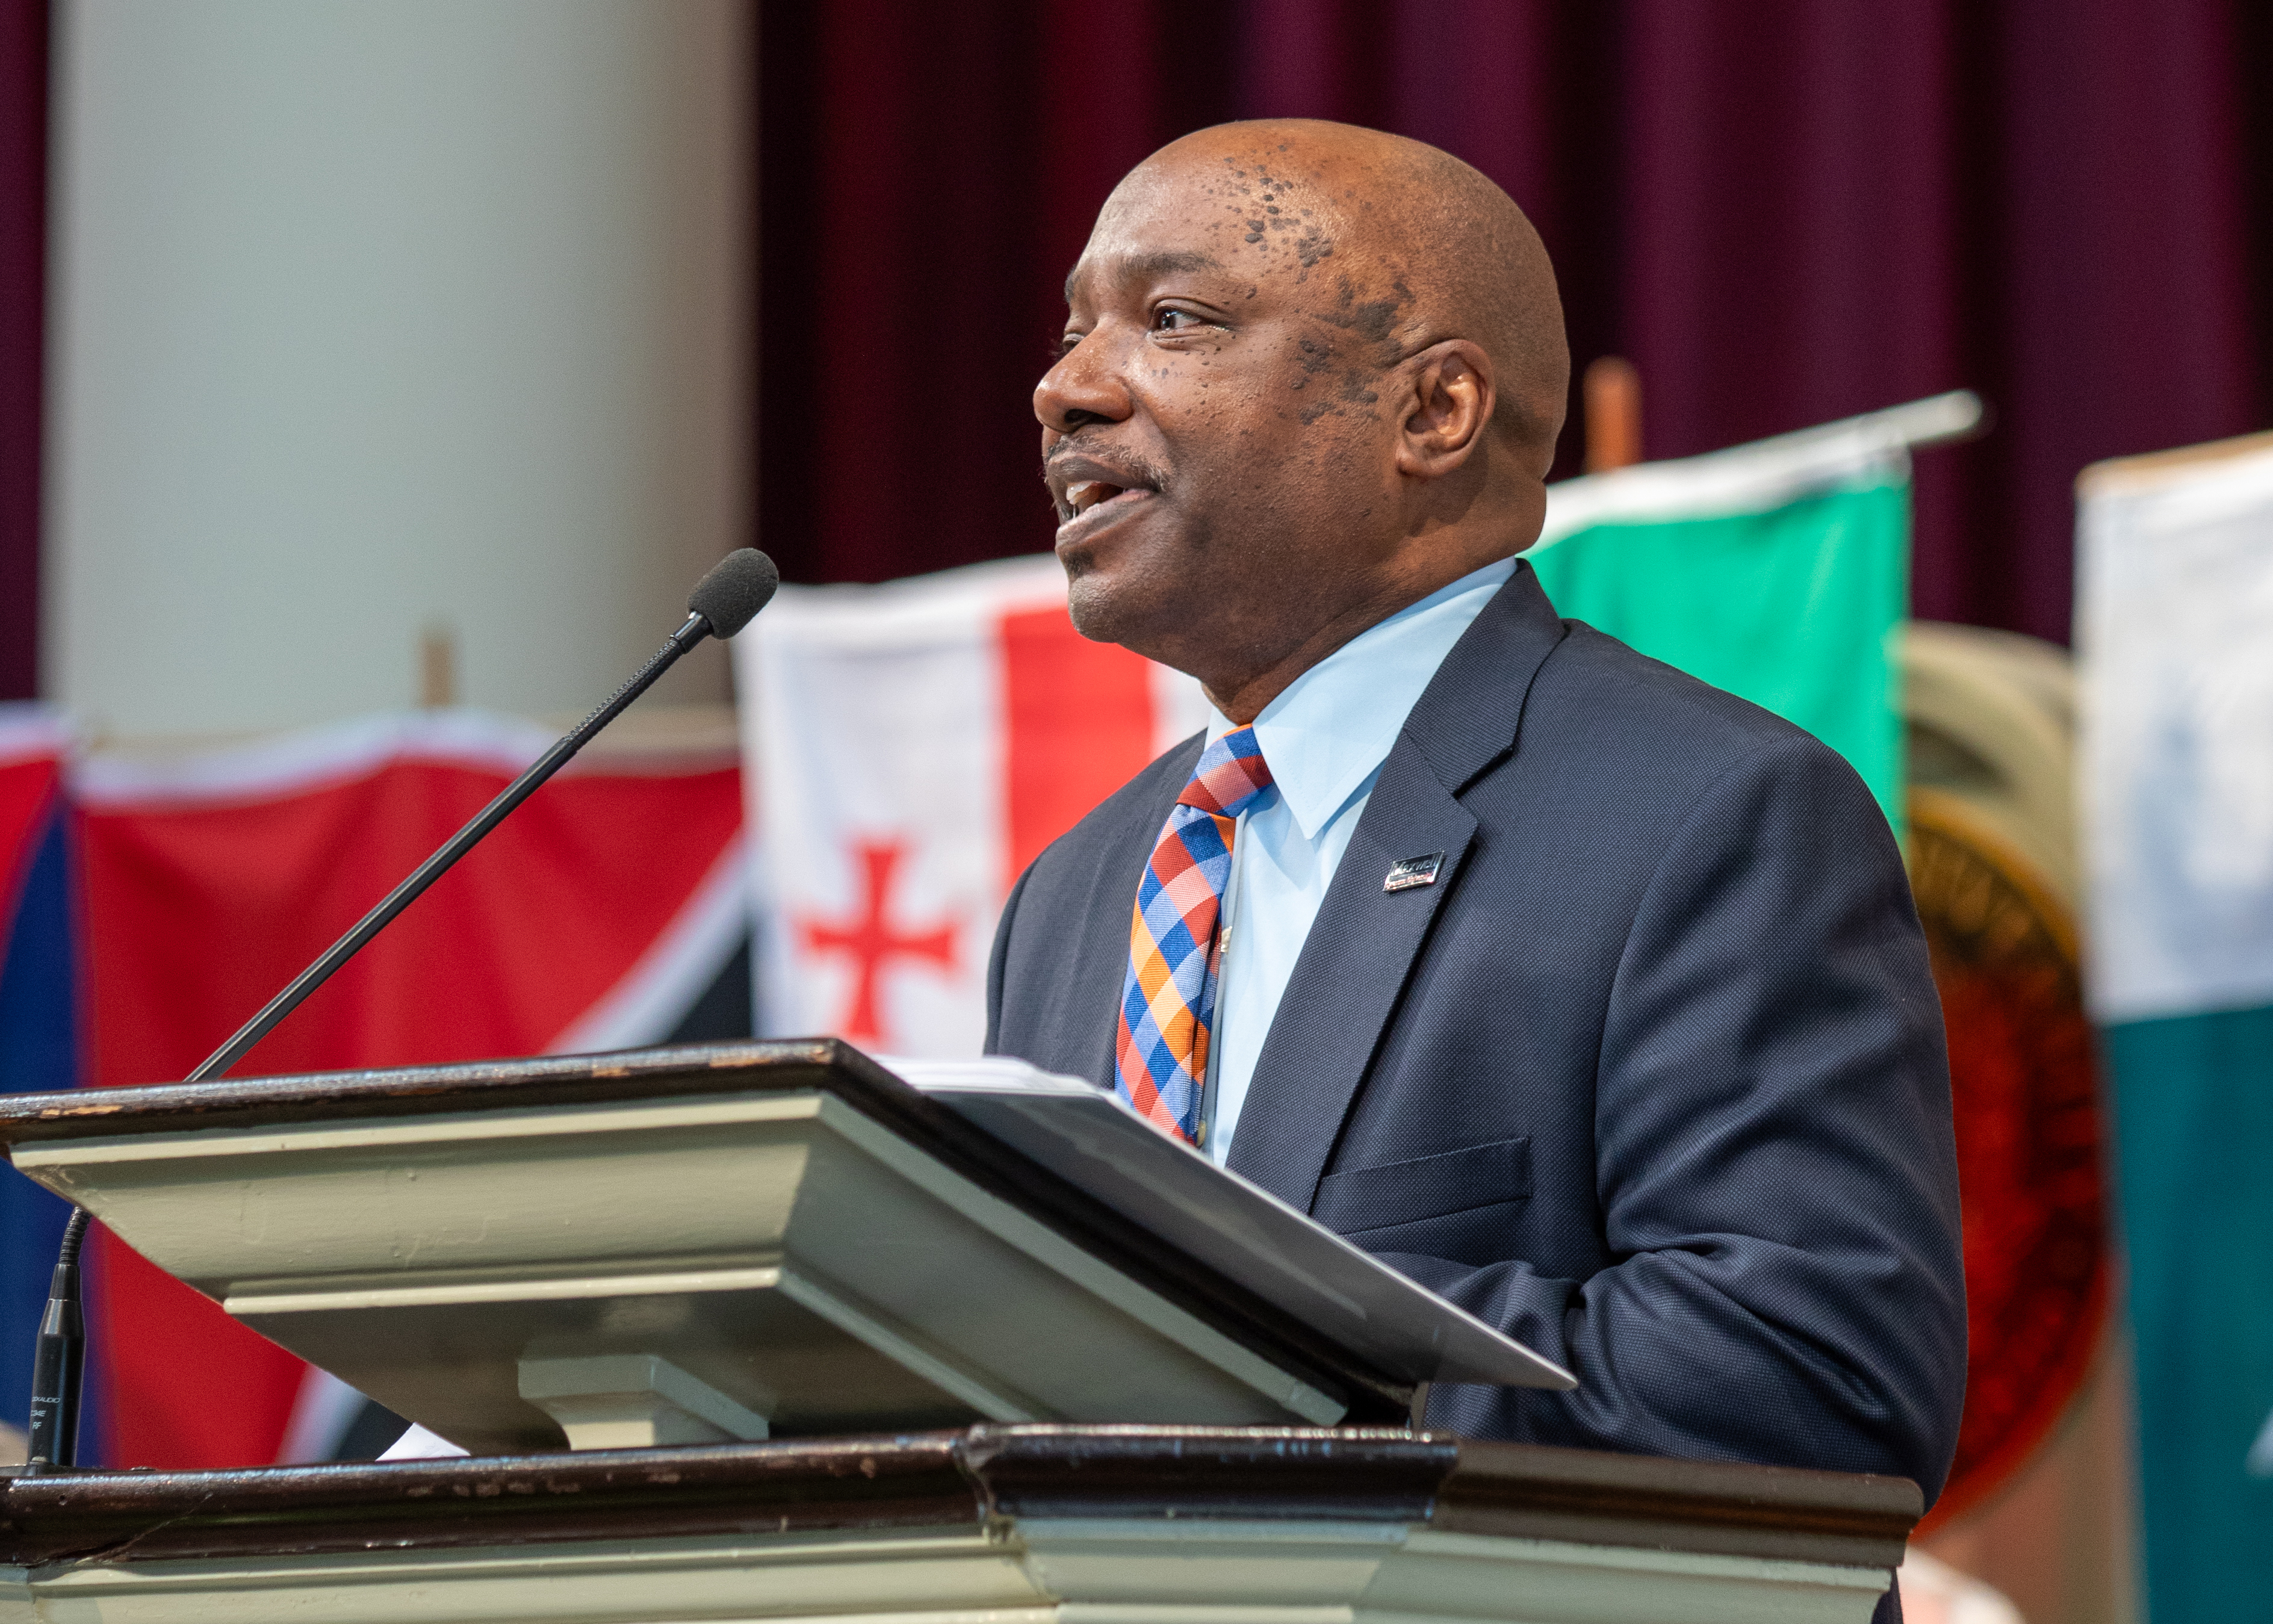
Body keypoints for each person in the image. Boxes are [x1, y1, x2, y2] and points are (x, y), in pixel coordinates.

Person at [987, 118, 1965, 1533]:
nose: (1064, 389)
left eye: (1173, 319)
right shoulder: (1074, 894)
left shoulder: (1711, 816)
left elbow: (1809, 1380)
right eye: (1075, 329)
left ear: (1433, 413)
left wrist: (1214, 1348)